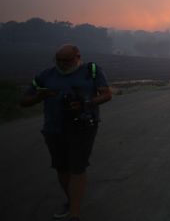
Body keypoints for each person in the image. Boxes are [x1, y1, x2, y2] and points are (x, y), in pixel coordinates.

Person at [21, 44, 112, 221]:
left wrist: (86, 103)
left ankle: (74, 213)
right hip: (53, 128)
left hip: (83, 126)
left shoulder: (92, 70)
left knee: (77, 167)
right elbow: (23, 100)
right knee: (62, 168)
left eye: (67, 61)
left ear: (78, 57)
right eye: (59, 61)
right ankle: (72, 202)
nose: (62, 64)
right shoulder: (45, 75)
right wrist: (39, 97)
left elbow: (107, 94)